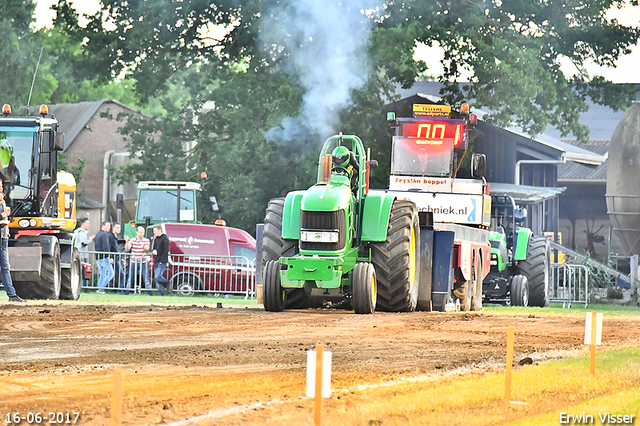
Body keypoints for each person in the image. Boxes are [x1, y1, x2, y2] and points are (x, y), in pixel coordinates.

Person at [0, 180, 24, 302]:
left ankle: (12, 295)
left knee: (5, 267)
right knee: (5, 266)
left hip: (4, 236)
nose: (1, 188)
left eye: (1, 185)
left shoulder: (2, 200)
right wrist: (4, 215)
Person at [125, 226, 151, 295]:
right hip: (134, 261)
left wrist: (144, 247)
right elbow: (127, 248)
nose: (142, 234)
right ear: (137, 232)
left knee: (146, 278)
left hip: (143, 262)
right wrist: (127, 242)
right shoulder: (132, 240)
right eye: (141, 232)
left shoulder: (146, 240)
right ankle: (127, 292)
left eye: (143, 232)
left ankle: (150, 292)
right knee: (130, 278)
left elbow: (147, 249)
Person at [74, 218, 94, 291]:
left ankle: (83, 287)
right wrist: (91, 239)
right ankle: (85, 288)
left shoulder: (77, 231)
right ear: (83, 223)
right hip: (81, 254)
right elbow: (83, 243)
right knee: (84, 271)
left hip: (79, 253)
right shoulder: (81, 232)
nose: (89, 225)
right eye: (87, 223)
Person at [94, 221, 114, 294]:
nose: (109, 227)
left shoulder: (97, 235)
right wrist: (109, 256)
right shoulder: (104, 235)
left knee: (102, 274)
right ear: (103, 226)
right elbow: (106, 246)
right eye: (108, 226)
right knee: (111, 273)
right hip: (104, 257)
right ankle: (101, 288)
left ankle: (99, 288)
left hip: (98, 257)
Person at [151, 225, 170, 296]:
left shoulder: (165, 239)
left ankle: (167, 283)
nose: (154, 233)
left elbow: (166, 251)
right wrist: (153, 251)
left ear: (159, 230)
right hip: (156, 260)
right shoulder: (156, 239)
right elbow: (154, 248)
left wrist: (162, 261)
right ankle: (160, 292)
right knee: (157, 278)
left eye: (155, 231)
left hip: (162, 261)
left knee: (157, 276)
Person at [109, 223, 127, 290]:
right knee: (121, 274)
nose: (118, 229)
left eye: (119, 228)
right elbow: (110, 247)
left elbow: (116, 249)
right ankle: (120, 289)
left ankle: (118, 288)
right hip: (114, 258)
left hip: (117, 258)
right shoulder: (111, 237)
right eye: (117, 227)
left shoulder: (115, 238)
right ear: (113, 228)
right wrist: (111, 257)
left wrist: (121, 258)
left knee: (118, 274)